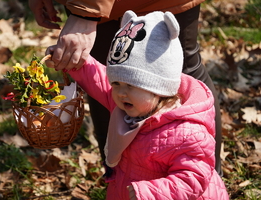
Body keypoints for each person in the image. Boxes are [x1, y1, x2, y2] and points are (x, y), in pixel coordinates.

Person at [46, 10, 229, 199]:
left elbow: (194, 179)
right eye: (116, 83)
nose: (120, 92)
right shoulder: (126, 102)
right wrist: (70, 61)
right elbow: (97, 78)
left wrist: (149, 193)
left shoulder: (187, 133)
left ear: (159, 88)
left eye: (131, 85)